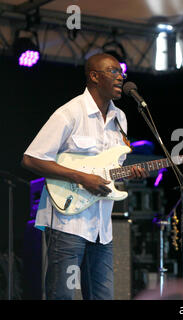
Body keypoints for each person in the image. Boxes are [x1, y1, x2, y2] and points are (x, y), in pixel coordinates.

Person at [21, 53, 149, 300]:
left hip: (102, 227)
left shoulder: (119, 118)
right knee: (62, 296)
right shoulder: (69, 113)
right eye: (113, 71)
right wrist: (81, 177)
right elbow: (31, 159)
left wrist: (130, 174)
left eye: (121, 72)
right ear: (93, 76)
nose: (120, 76)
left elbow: (111, 171)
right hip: (69, 223)